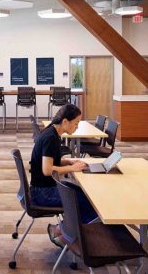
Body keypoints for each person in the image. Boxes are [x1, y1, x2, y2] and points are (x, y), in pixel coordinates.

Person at [29, 104, 98, 247]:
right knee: (85, 202)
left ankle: (63, 231)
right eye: (76, 123)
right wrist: (71, 168)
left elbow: (50, 160)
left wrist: (68, 161)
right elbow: (47, 170)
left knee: (84, 193)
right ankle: (75, 238)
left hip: (43, 188)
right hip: (43, 193)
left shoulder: (51, 133)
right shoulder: (50, 138)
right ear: (65, 121)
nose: (77, 127)